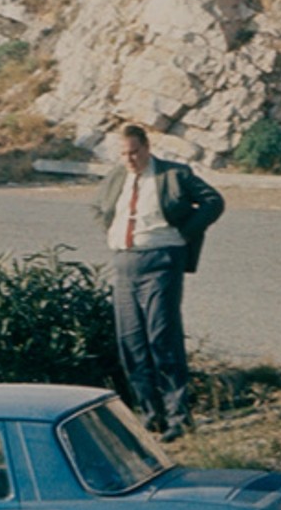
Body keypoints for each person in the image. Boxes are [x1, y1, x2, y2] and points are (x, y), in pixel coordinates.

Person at [94, 123, 225, 440]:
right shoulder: (116, 177)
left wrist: (183, 234)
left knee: (162, 337)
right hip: (124, 264)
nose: (130, 159)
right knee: (132, 342)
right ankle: (150, 415)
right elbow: (101, 209)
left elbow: (213, 201)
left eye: (134, 152)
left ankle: (178, 416)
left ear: (147, 148)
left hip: (161, 262)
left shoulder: (173, 174)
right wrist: (113, 234)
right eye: (124, 153)